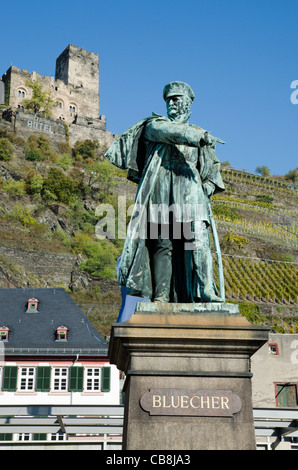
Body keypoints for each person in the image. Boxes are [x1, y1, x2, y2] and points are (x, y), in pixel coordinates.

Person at [105, 81, 225, 303]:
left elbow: (212, 173)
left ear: (188, 103)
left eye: (176, 98)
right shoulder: (154, 126)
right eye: (168, 99)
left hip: (190, 194)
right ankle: (161, 298)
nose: (171, 102)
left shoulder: (203, 141)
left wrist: (205, 189)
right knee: (163, 245)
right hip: (160, 194)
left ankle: (205, 289)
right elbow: (171, 131)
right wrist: (200, 136)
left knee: (198, 239)